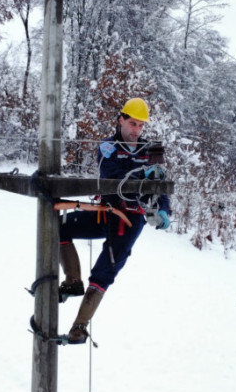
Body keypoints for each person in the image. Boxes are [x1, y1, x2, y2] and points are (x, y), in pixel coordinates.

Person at [58, 98, 171, 344]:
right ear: (121, 120)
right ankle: (72, 281)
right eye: (132, 123)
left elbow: (159, 185)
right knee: (60, 226)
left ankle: (79, 326)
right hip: (105, 212)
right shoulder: (108, 147)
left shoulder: (150, 151)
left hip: (130, 221)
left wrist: (164, 210)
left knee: (104, 271)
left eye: (141, 125)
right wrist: (142, 175)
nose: (136, 130)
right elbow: (112, 176)